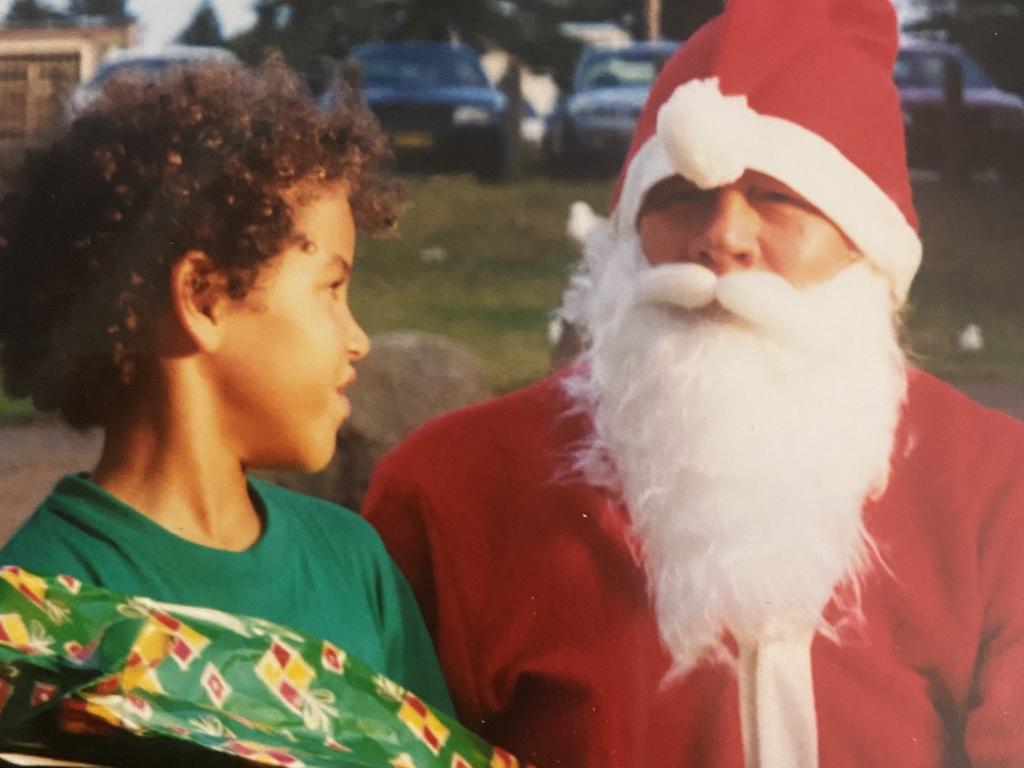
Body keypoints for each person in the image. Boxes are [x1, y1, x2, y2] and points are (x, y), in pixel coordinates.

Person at [362, 0, 1024, 765]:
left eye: (778, 196)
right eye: (677, 198)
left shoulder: (993, 485)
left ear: (867, 244)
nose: (722, 238)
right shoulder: (452, 490)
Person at [0, 60, 452, 713]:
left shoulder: (356, 565)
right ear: (204, 298)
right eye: (331, 289)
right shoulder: (35, 607)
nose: (359, 338)